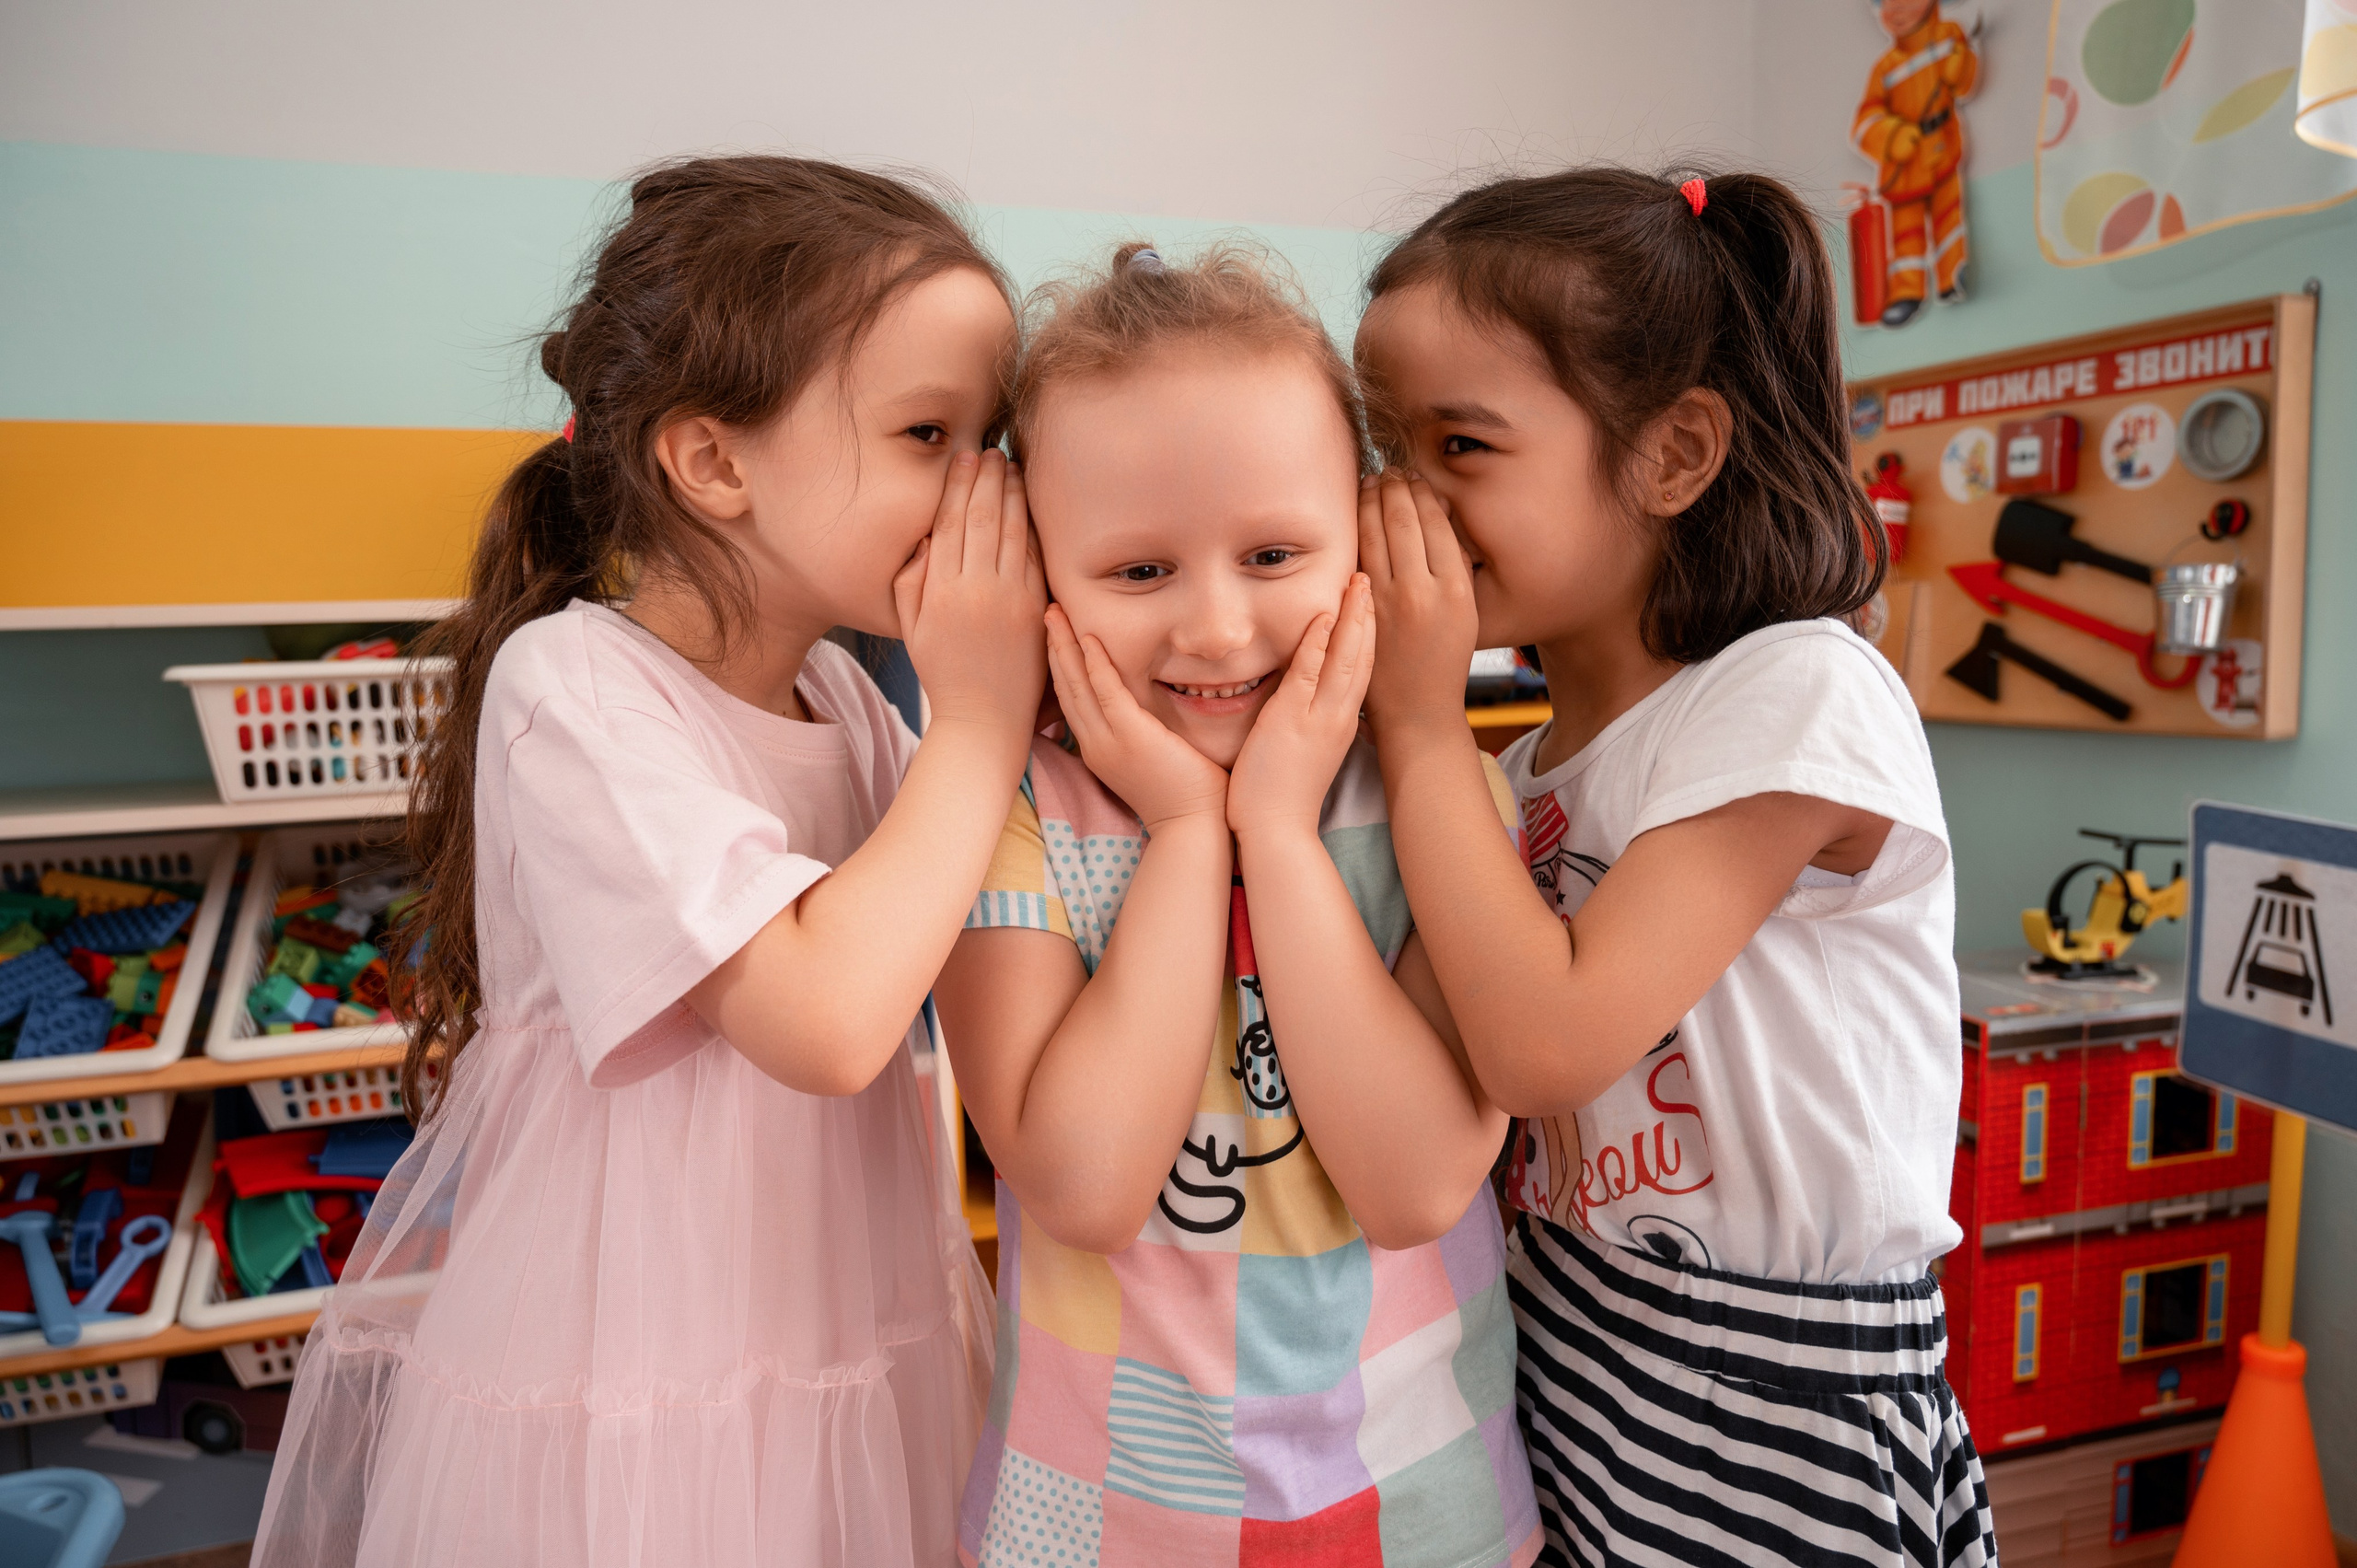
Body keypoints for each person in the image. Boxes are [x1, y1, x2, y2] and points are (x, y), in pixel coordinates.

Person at [252, 157, 1046, 1568]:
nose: (982, 488)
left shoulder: (847, 699)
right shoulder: (578, 691)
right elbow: (825, 1020)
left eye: (993, 438)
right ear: (714, 461)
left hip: (841, 1319)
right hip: (636, 1367)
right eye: (931, 434)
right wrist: (978, 724)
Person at [1353, 167, 1997, 1565]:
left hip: (1775, 1396)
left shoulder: (1795, 691)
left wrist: (1412, 720)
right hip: (1573, 1332)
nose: (1402, 503)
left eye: (1460, 448)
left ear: (1674, 454)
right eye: (1383, 448)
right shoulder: (1520, 780)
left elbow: (1546, 1047)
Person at [935, 243, 1541, 1568]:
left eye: (1273, 553)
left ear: (1370, 542)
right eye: (1139, 572)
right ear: (1041, 577)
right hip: (1104, 1522)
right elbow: (1087, 1184)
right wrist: (1182, 831)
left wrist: (1274, 824)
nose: (1215, 630)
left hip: (1418, 1504)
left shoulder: (1441, 801)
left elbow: (1420, 1181)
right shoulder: (1005, 813)